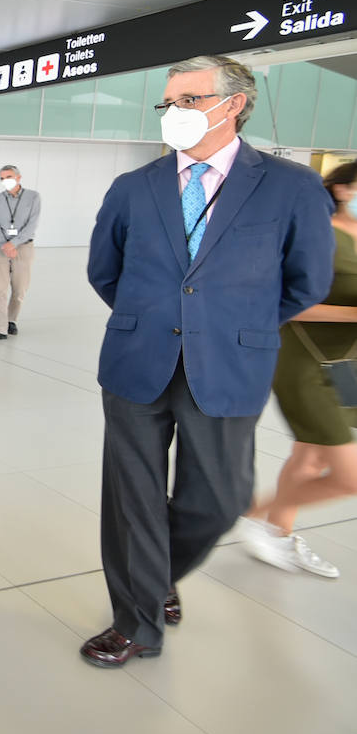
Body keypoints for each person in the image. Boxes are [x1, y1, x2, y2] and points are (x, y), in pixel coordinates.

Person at [81, 55, 333, 669]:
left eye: (190, 100)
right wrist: (159, 319)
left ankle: (155, 574)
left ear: (235, 103)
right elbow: (104, 271)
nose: (176, 113)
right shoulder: (133, 187)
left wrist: (224, 326)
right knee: (131, 500)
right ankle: (136, 624)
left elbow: (306, 283)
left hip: (228, 365)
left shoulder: (290, 186)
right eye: (170, 103)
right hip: (137, 361)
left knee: (219, 499)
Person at [240, 161, 357, 578]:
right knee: (350, 476)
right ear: (343, 190)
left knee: (309, 456)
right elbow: (291, 302)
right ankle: (255, 515)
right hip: (303, 361)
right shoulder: (319, 233)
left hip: (347, 364)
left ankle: (277, 532)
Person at [0, 165, 40, 341]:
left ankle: (11, 320)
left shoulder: (33, 197)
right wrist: (4, 245)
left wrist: (14, 244)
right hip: (0, 249)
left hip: (24, 247)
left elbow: (32, 224)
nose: (5, 180)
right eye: (2, 178)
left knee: (19, 289)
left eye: (8, 176)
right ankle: (0, 328)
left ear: (18, 177)